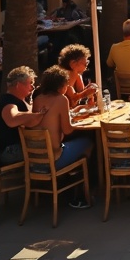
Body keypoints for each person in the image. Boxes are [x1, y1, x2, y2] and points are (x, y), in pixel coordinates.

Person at [31, 65, 93, 208]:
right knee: (88, 142)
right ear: (61, 85)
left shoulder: (38, 98)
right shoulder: (61, 99)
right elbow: (68, 130)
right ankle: (81, 193)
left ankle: (68, 181)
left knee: (75, 144)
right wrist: (81, 124)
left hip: (35, 159)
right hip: (54, 158)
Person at [0, 67, 47, 164]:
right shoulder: (8, 103)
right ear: (18, 85)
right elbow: (12, 119)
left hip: (7, 149)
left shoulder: (16, 99)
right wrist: (37, 115)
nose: (33, 87)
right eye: (30, 83)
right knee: (49, 149)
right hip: (8, 152)